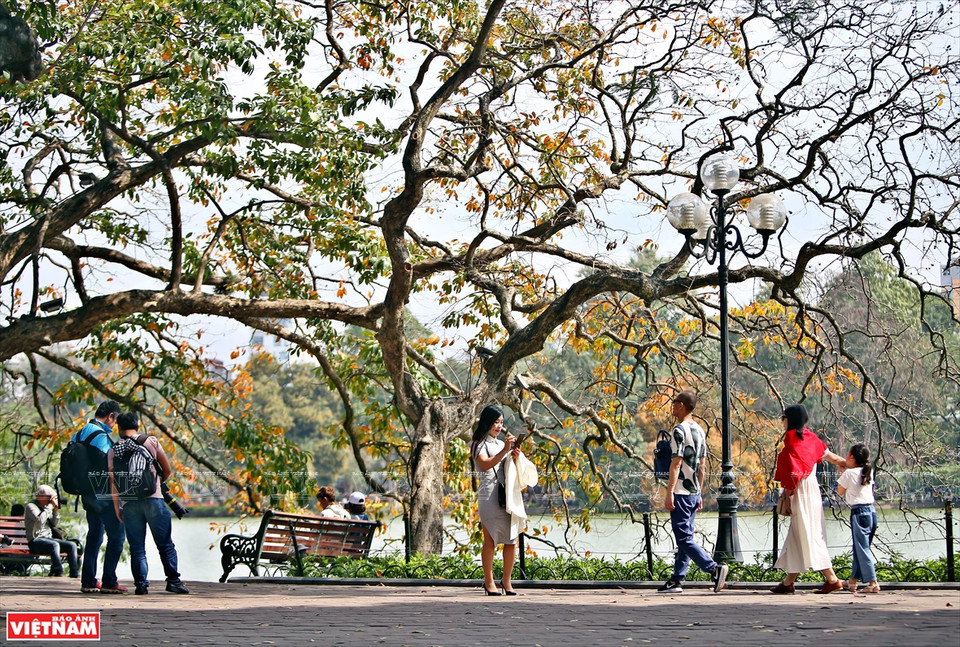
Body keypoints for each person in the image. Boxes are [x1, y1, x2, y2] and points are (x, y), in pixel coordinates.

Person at [108, 411, 189, 595]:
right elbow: (167, 470)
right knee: (165, 545)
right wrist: (156, 484)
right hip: (154, 500)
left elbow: (113, 483)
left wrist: (117, 507)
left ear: (119, 428)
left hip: (130, 504)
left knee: (137, 549)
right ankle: (173, 582)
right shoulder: (150, 441)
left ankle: (141, 585)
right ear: (138, 425)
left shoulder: (113, 450)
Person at [657, 390, 729, 594]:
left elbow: (676, 464)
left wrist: (669, 492)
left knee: (683, 539)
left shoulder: (679, 431)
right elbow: (702, 465)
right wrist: (699, 492)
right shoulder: (699, 430)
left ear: (681, 405)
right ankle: (677, 580)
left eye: (674, 402)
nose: (672, 406)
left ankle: (713, 569)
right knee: (685, 537)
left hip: (680, 492)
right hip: (693, 492)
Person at [770, 404, 846, 594]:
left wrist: (788, 497)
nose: (782, 421)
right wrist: (852, 465)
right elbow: (833, 458)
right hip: (812, 490)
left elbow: (793, 472)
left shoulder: (792, 441)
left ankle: (832, 579)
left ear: (789, 420)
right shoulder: (812, 439)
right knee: (799, 534)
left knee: (808, 534)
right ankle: (788, 582)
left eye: (784, 418)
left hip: (800, 491)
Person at [72, 400, 127, 594]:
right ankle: (109, 581)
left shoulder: (78, 434)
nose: (115, 425)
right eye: (115, 420)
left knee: (94, 535)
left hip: (86, 493)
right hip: (102, 494)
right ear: (111, 416)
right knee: (118, 535)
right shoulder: (100, 436)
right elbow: (109, 467)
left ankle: (88, 581)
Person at [471, 404, 522, 596]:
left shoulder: (501, 444)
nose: (499, 426)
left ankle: (506, 581)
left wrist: (515, 455)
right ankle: (489, 581)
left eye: (501, 422)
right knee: (490, 540)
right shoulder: (478, 444)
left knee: (511, 540)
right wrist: (505, 450)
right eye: (495, 422)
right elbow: (485, 464)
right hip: (488, 494)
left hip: (506, 495)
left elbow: (509, 469)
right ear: (487, 422)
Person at [837, 443, 880, 593]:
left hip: (859, 512)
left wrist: (842, 473)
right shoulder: (868, 470)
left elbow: (840, 491)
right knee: (860, 547)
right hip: (871, 512)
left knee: (862, 548)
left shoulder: (849, 473)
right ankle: (853, 581)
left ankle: (873, 582)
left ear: (852, 457)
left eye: (848, 454)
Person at [24, 485, 79, 578]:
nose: (50, 500)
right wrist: (50, 506)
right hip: (35, 541)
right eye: (49, 498)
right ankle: (59, 572)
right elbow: (40, 519)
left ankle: (74, 574)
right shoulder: (31, 506)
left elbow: (54, 524)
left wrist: (55, 510)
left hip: (48, 539)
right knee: (54, 545)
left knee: (72, 545)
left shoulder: (46, 508)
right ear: (41, 496)